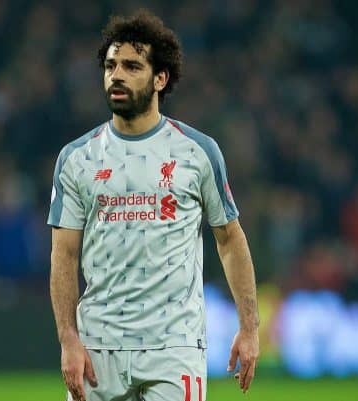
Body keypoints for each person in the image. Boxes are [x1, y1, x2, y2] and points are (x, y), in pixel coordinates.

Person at [48, 10, 259, 401]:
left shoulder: (198, 152)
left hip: (174, 346)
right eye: (111, 66)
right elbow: (64, 255)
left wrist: (249, 328)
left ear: (160, 78)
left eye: (131, 66)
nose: (117, 75)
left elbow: (229, 239)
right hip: (99, 347)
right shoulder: (77, 158)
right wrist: (68, 340)